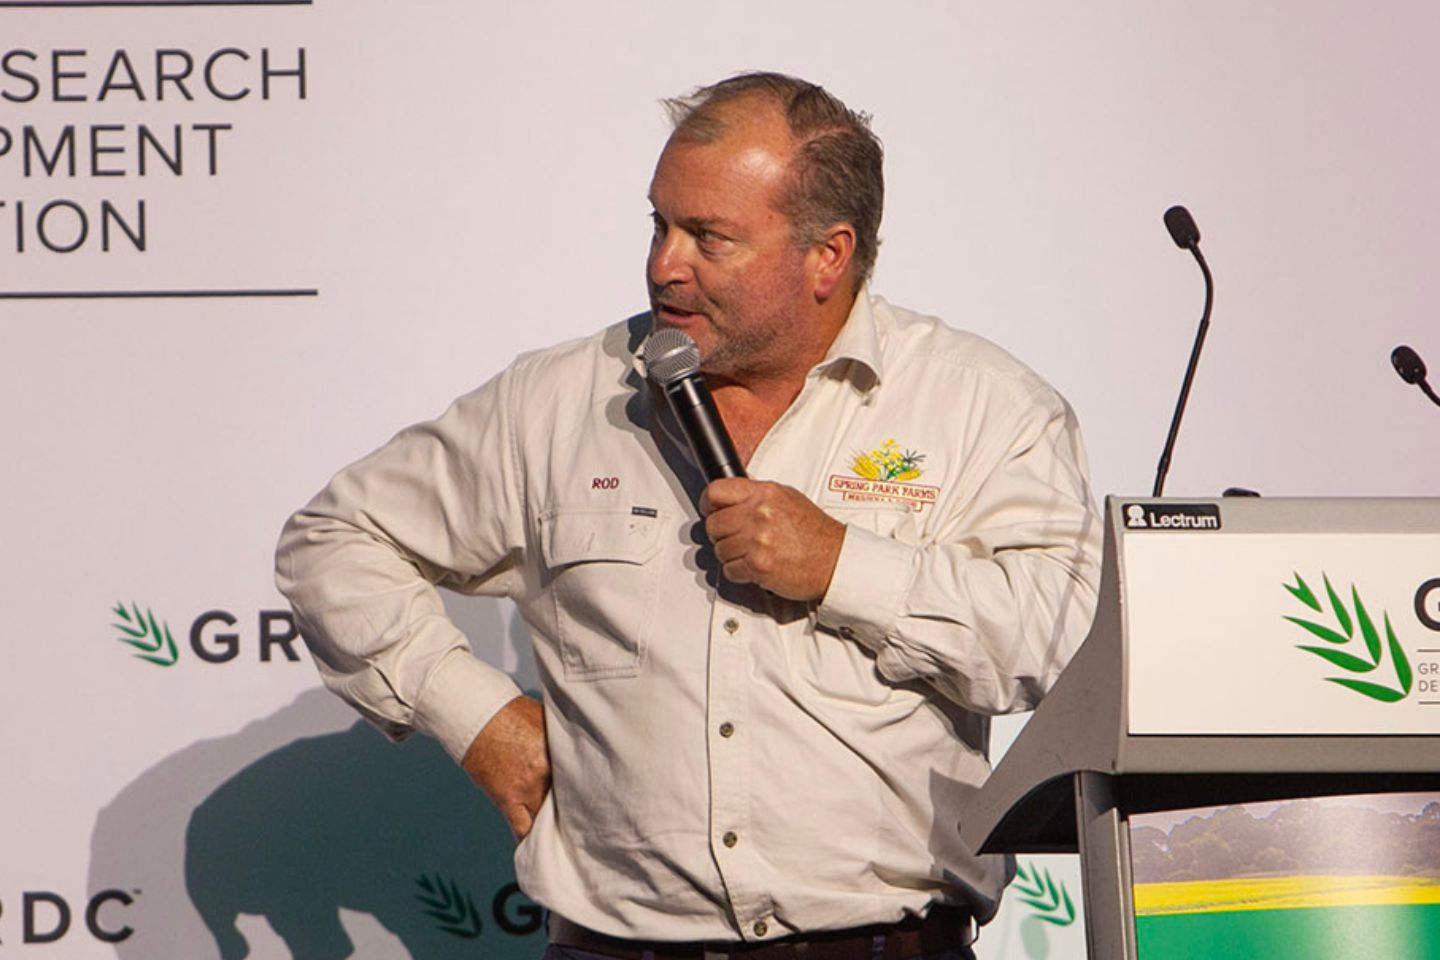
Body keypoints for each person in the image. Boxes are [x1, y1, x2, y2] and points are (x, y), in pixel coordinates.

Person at [277, 71, 1102, 960]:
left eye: (709, 237)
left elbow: (1057, 639)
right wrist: (470, 714)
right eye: (659, 224)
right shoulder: (559, 401)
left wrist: (841, 567)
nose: (665, 263)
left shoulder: (981, 407)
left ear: (828, 255)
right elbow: (333, 540)